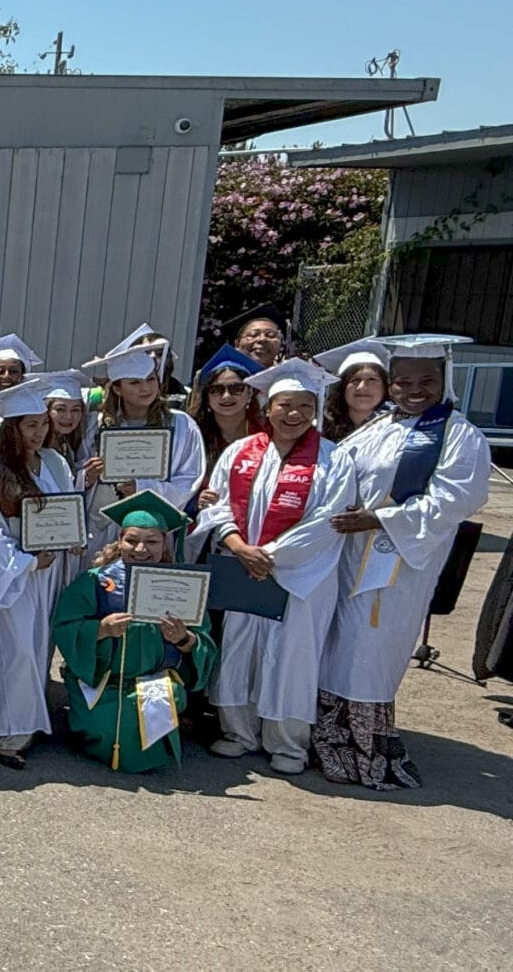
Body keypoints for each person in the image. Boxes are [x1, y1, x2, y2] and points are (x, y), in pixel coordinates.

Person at [316, 335, 492, 789]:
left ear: (444, 380)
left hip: (395, 561)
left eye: (426, 380)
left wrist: (380, 519)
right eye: (403, 381)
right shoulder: (379, 426)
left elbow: (457, 498)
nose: (414, 390)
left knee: (370, 649)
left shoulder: (458, 434)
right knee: (335, 643)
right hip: (347, 554)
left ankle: (367, 754)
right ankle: (330, 743)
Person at [193, 359, 353, 775]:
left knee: (292, 658)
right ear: (267, 407)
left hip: (303, 576)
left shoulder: (333, 459)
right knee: (240, 649)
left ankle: (288, 744)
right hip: (242, 567)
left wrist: (270, 556)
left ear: (315, 409)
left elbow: (328, 521)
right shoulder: (241, 452)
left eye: (303, 405)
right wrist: (239, 546)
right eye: (284, 404)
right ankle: (238, 733)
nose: (293, 413)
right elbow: (217, 504)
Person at [50, 491, 217, 772]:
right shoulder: (96, 581)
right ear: (119, 540)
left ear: (165, 543)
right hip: (101, 679)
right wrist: (100, 629)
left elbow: (205, 641)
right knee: (107, 722)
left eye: (152, 541)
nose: (141, 549)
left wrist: (184, 639)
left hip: (155, 679)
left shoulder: (181, 585)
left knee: (138, 716)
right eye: (132, 540)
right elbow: (65, 627)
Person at [0, 380, 80, 768]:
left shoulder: (55, 463)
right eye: (28, 425)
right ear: (10, 428)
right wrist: (27, 561)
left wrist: (73, 539)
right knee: (9, 649)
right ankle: (3, 732)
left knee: (37, 646)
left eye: (41, 423)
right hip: (11, 573)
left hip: (46, 569)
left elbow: (67, 510)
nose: (38, 432)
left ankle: (29, 724)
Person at [78, 340, 204, 553]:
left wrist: (143, 487)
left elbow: (189, 479)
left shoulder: (181, 424)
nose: (146, 388)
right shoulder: (95, 425)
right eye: (134, 383)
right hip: (99, 528)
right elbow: (75, 471)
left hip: (150, 532)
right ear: (117, 388)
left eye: (150, 379)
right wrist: (86, 476)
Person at [187, 345, 265, 504]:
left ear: (250, 393)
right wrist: (195, 500)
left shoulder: (266, 434)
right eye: (216, 390)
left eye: (237, 388)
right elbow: (180, 481)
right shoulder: (193, 435)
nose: (226, 396)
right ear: (207, 396)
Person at [314, 339, 391, 443]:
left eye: (372, 379)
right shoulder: (321, 429)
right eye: (355, 380)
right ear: (342, 387)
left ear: (385, 387)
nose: (362, 387)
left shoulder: (395, 430)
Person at [221, 303, 290, 369]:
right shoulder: (223, 377)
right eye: (253, 335)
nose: (262, 339)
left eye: (271, 335)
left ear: (281, 345)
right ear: (237, 344)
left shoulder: (292, 378)